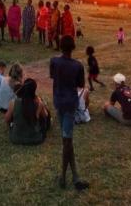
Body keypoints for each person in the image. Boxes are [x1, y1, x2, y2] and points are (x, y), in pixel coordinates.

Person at [50, 35, 89, 191]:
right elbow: (80, 84)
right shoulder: (77, 66)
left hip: (59, 102)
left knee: (67, 140)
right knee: (67, 140)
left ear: (60, 46)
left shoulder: (54, 62)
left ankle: (71, 177)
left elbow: (53, 76)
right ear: (73, 48)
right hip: (70, 104)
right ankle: (68, 177)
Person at [5, 78, 50, 145]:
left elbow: (7, 119)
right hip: (35, 139)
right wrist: (40, 107)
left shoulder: (13, 103)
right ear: (34, 90)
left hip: (16, 138)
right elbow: (46, 116)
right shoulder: (38, 103)